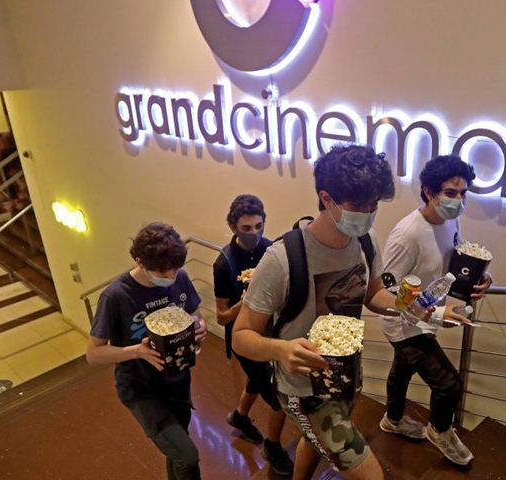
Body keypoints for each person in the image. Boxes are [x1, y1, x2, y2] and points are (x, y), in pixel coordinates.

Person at [233, 145, 465, 479]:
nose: (368, 213)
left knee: (314, 442)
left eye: (374, 204)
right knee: (371, 475)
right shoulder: (282, 259)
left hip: (346, 373)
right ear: (326, 199)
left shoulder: (366, 240)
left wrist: (410, 307)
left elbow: (374, 294)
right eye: (358, 205)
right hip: (303, 389)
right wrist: (281, 350)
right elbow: (241, 336)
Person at [378, 155, 493, 466]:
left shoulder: (450, 219)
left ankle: (392, 420)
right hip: (404, 325)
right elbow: (389, 295)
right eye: (450, 193)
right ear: (428, 192)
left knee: (402, 370)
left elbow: (455, 256)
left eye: (463, 193)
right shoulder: (407, 235)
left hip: (427, 317)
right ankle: (440, 430)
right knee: (448, 384)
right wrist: (439, 315)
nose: (459, 201)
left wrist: (482, 277)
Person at [87, 222, 208, 480]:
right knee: (187, 455)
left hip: (177, 379)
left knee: (177, 450)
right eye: (162, 272)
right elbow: (94, 353)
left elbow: (194, 316)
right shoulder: (116, 296)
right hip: (141, 388)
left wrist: (199, 330)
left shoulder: (180, 278)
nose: (170, 278)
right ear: (140, 261)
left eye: (175, 269)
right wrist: (137, 351)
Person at [212, 194, 294, 477]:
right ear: (233, 227)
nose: (254, 234)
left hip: (270, 332)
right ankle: (273, 446)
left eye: (259, 226)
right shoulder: (225, 264)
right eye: (246, 229)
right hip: (244, 337)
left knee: (257, 379)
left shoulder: (271, 251)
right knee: (278, 398)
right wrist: (244, 303)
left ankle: (239, 416)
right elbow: (221, 316)